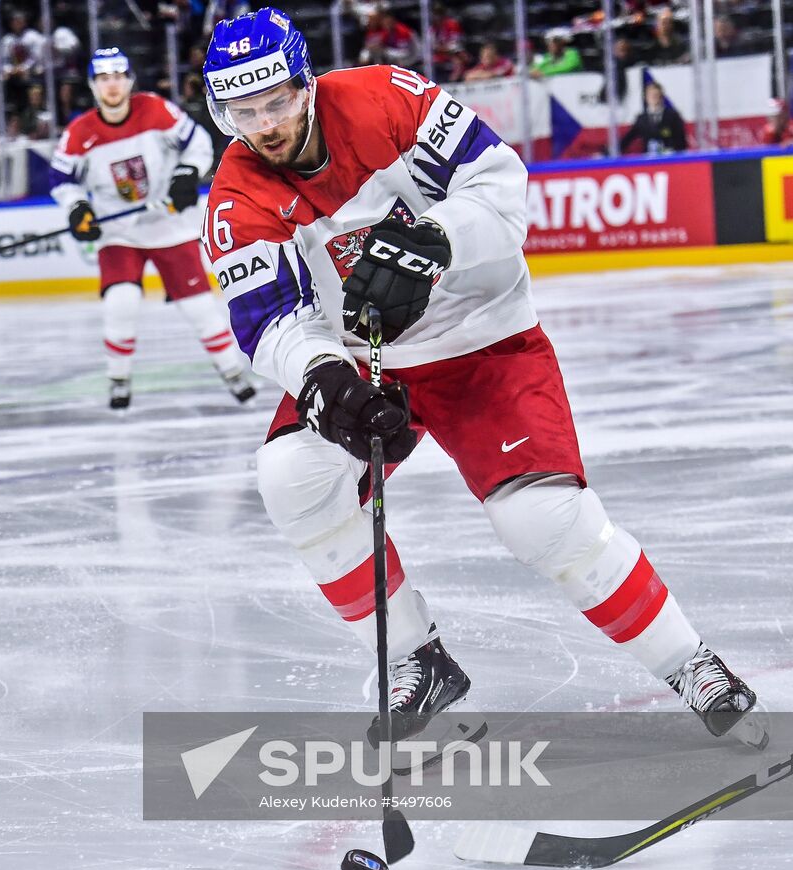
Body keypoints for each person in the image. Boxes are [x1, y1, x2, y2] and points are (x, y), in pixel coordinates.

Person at [198, 9, 762, 746]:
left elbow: (502, 186)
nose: (265, 124)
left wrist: (435, 240)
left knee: (540, 520)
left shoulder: (384, 99)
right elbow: (271, 317)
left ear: (306, 85)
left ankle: (692, 663)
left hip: (483, 339)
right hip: (373, 360)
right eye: (245, 110)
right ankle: (416, 658)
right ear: (222, 111)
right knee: (290, 476)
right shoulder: (238, 196)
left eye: (276, 101)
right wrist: (325, 382)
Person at [50, 48, 254, 410]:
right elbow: (61, 179)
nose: (111, 86)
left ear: (128, 80)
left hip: (169, 224)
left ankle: (232, 373)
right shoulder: (80, 132)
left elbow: (198, 143)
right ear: (93, 86)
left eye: (117, 77)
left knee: (200, 308)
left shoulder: (157, 110)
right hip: (119, 232)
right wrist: (77, 207)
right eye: (102, 79)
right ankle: (119, 379)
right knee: (120, 303)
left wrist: (187, 173)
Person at [617, 81, 688, 154]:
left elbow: (681, 140)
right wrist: (611, 150)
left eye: (656, 95)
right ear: (646, 98)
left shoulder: (673, 116)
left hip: (669, 159)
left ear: (661, 97)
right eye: (651, 95)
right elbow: (628, 137)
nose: (653, 98)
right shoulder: (641, 119)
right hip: (649, 160)